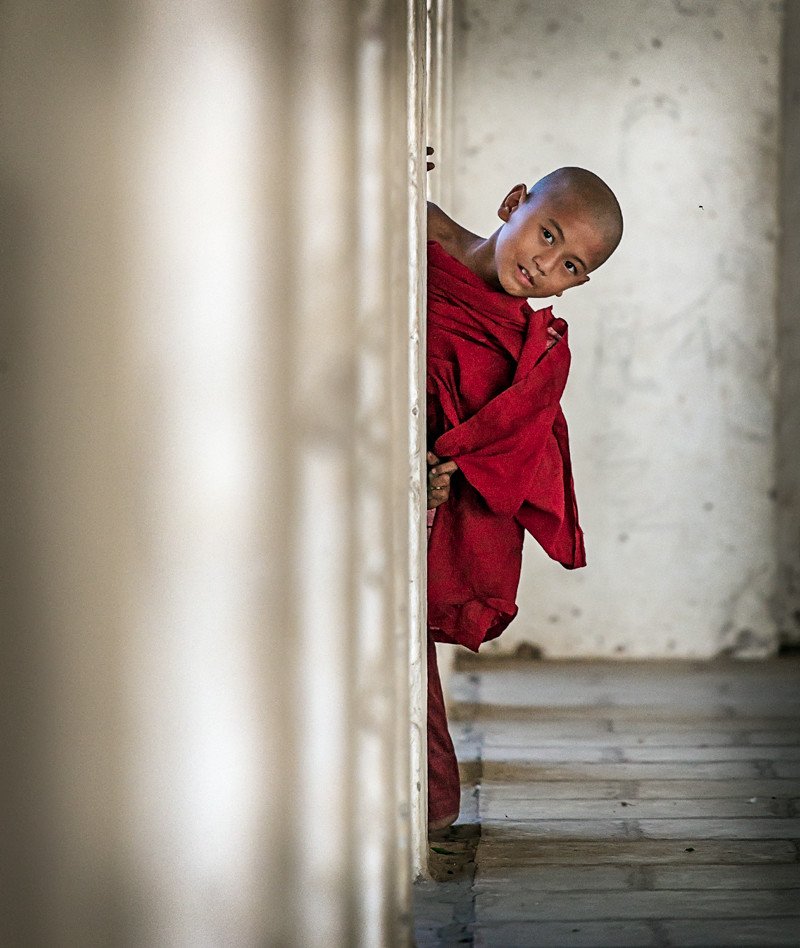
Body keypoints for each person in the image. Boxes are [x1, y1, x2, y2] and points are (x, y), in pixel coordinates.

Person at [424, 155, 623, 831]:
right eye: (548, 234)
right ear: (514, 203)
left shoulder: (527, 348)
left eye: (571, 266)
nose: (547, 265)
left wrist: (450, 458)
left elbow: (498, 450)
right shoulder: (410, 232)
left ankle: (422, 802)